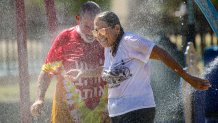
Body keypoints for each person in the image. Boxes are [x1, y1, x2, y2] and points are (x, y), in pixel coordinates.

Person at [69, 11, 210, 123]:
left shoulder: (129, 41)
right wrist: (83, 73)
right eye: (95, 32)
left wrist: (188, 78)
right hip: (117, 113)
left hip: (137, 110)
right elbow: (106, 70)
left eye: (103, 31)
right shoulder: (108, 48)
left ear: (116, 28)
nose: (99, 36)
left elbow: (160, 53)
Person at [30, 2, 110, 123]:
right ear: (78, 19)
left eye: (94, 28)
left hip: (101, 115)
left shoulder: (107, 40)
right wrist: (39, 99)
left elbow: (117, 70)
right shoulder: (65, 39)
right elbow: (47, 72)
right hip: (66, 115)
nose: (90, 32)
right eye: (86, 27)